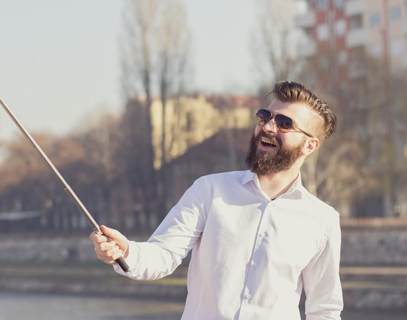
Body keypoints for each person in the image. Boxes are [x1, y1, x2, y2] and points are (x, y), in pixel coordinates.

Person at [90, 81, 343, 320]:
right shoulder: (209, 190)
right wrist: (125, 252)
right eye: (265, 117)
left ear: (310, 145)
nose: (267, 127)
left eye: (284, 123)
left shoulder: (323, 220)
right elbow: (164, 254)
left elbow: (325, 308)